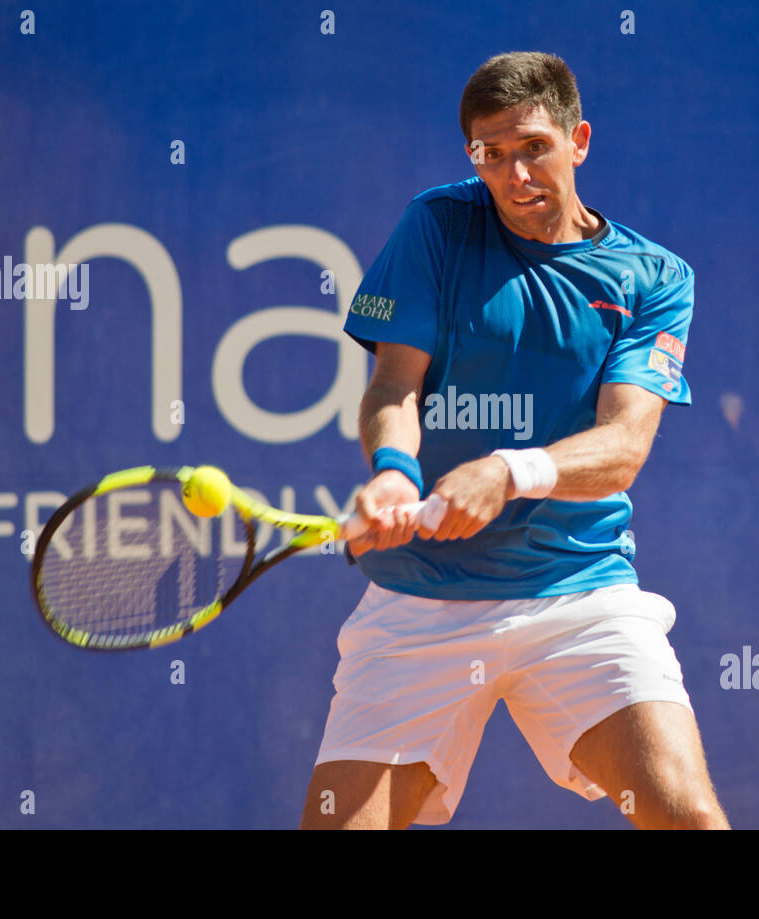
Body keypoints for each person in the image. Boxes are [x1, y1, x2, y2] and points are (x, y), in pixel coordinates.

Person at [300, 51, 730, 830]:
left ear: (580, 140)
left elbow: (623, 447)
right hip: (419, 597)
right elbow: (395, 385)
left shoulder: (654, 277)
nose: (513, 172)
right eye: (489, 154)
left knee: (688, 816)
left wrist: (506, 470)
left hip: (579, 592)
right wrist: (395, 472)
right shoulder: (438, 224)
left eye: (533, 146)